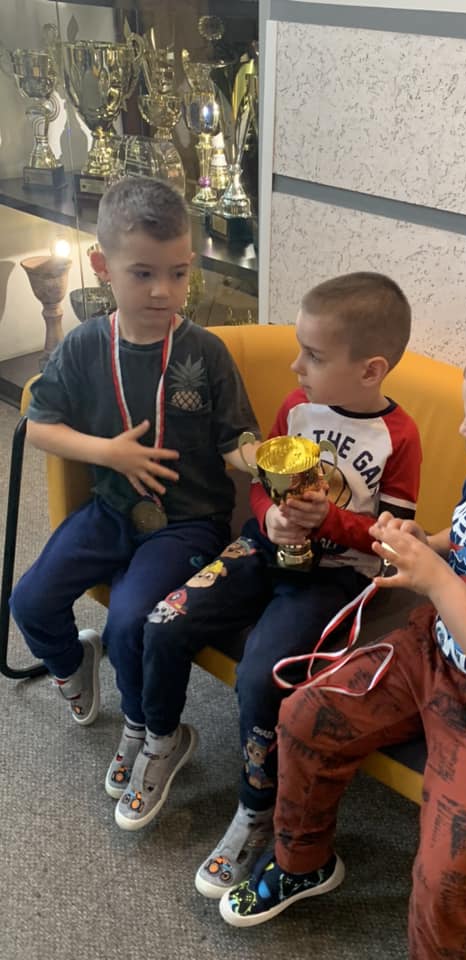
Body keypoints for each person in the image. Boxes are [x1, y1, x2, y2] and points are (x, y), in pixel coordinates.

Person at [219, 313, 466, 960]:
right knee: (305, 715)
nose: (460, 430)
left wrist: (435, 580)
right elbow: (465, 538)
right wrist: (421, 543)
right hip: (435, 649)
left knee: (451, 866)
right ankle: (303, 863)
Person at [125, 272, 423, 889]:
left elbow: (391, 539)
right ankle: (162, 738)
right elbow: (262, 485)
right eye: (298, 349)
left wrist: (326, 521)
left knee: (263, 675)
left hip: (334, 578)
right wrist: (270, 517)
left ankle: (257, 808)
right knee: (164, 621)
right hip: (260, 547)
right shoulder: (295, 407)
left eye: (313, 355)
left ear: (370, 370)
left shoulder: (400, 437)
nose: (296, 366)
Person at [10, 176, 258, 807]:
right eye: (142, 273)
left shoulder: (207, 351)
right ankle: (73, 665)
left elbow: (236, 442)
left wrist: (267, 463)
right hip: (113, 509)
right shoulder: (84, 345)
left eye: (177, 274)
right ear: (102, 266)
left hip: (188, 522)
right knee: (30, 600)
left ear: (191, 264)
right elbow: (38, 426)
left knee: (130, 622)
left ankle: (155, 732)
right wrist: (109, 454)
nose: (162, 292)